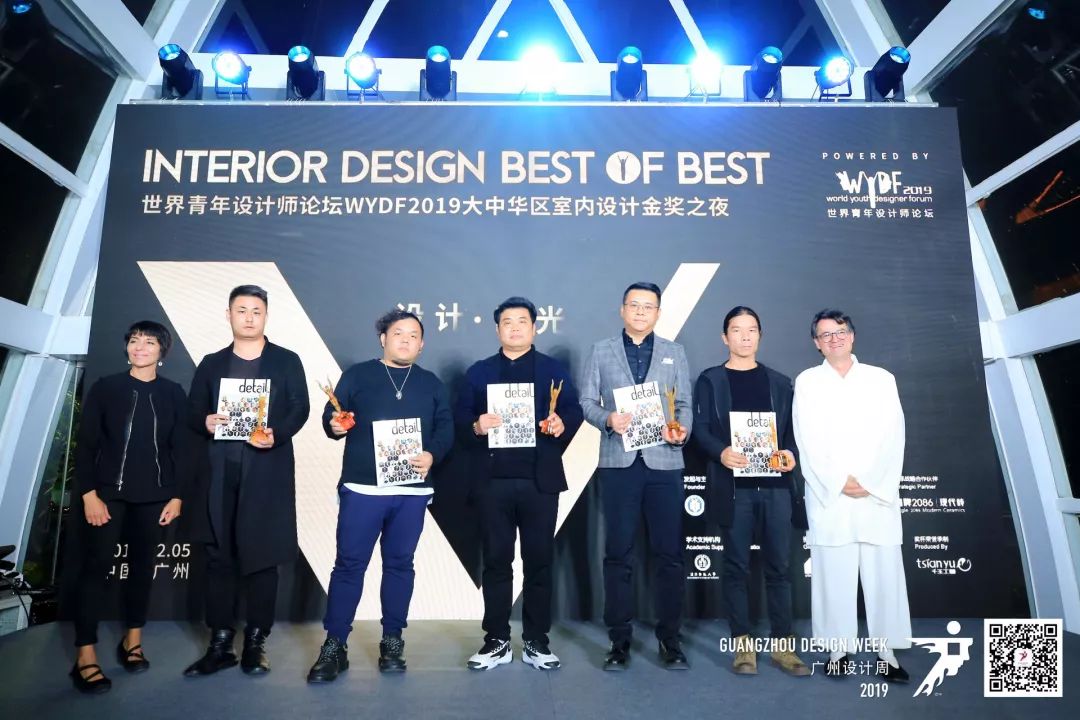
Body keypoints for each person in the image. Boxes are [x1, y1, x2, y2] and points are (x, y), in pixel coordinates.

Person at [306, 309, 454, 681]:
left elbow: (446, 428)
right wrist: (335, 425)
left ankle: (392, 640)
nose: (406, 339)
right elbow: (332, 417)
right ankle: (334, 645)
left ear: (422, 344)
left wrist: (432, 454)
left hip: (411, 490)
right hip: (363, 489)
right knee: (349, 564)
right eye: (398, 333)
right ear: (383, 338)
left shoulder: (432, 384)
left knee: (400, 564)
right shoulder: (357, 375)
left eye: (413, 335)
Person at [184, 285, 310, 677]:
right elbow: (193, 409)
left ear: (266, 316)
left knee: (263, 557)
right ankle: (220, 642)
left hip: (266, 471)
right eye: (242, 310)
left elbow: (300, 407)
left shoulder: (286, 360)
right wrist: (205, 420)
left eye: (257, 310)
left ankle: (256, 642)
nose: (249, 317)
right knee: (219, 558)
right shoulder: (212, 363)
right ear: (229, 315)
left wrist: (278, 432)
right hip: (220, 472)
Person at [456, 297, 583, 671]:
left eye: (522, 321)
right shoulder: (479, 372)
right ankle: (496, 640)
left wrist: (562, 423)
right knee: (496, 562)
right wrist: (477, 425)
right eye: (507, 322)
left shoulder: (553, 370)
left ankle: (536, 641)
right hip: (491, 482)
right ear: (497, 329)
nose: (514, 328)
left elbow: (573, 411)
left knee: (539, 561)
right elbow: (459, 420)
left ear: (534, 328)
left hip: (539, 482)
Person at [68, 320, 189, 694]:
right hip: (107, 497)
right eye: (134, 340)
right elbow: (86, 445)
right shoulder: (106, 388)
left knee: (141, 571)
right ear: (127, 347)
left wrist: (176, 496)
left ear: (162, 351)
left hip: (155, 498)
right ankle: (85, 655)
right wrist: (89, 494)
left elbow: (181, 449)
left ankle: (132, 640)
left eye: (149, 342)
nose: (140, 347)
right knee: (96, 570)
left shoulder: (173, 393)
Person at [792, 309, 911, 682]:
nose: (835, 339)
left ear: (852, 335)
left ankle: (886, 652)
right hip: (831, 495)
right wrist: (838, 481)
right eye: (826, 335)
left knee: (884, 576)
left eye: (840, 332)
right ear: (816, 343)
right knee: (833, 575)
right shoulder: (808, 382)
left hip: (877, 495)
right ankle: (837, 649)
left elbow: (894, 435)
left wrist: (872, 481)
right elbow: (806, 439)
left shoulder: (881, 379)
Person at [579, 282, 692, 671]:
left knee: (670, 555)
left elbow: (685, 403)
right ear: (622, 309)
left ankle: (670, 639)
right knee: (618, 554)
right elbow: (586, 401)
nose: (641, 311)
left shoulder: (675, 352)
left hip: (665, 462)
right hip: (619, 464)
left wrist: (680, 430)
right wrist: (608, 419)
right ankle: (619, 640)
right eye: (634, 304)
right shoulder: (601, 350)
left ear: (658, 313)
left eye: (649, 306)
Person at [691, 306, 810, 677]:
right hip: (734, 489)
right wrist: (720, 452)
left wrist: (789, 454)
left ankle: (783, 647)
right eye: (737, 330)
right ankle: (743, 646)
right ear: (724, 337)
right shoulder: (710, 380)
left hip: (776, 488)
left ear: (760, 335)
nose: (745, 336)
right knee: (736, 567)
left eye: (752, 330)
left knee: (780, 568)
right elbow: (699, 429)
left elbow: (792, 433)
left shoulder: (780, 383)